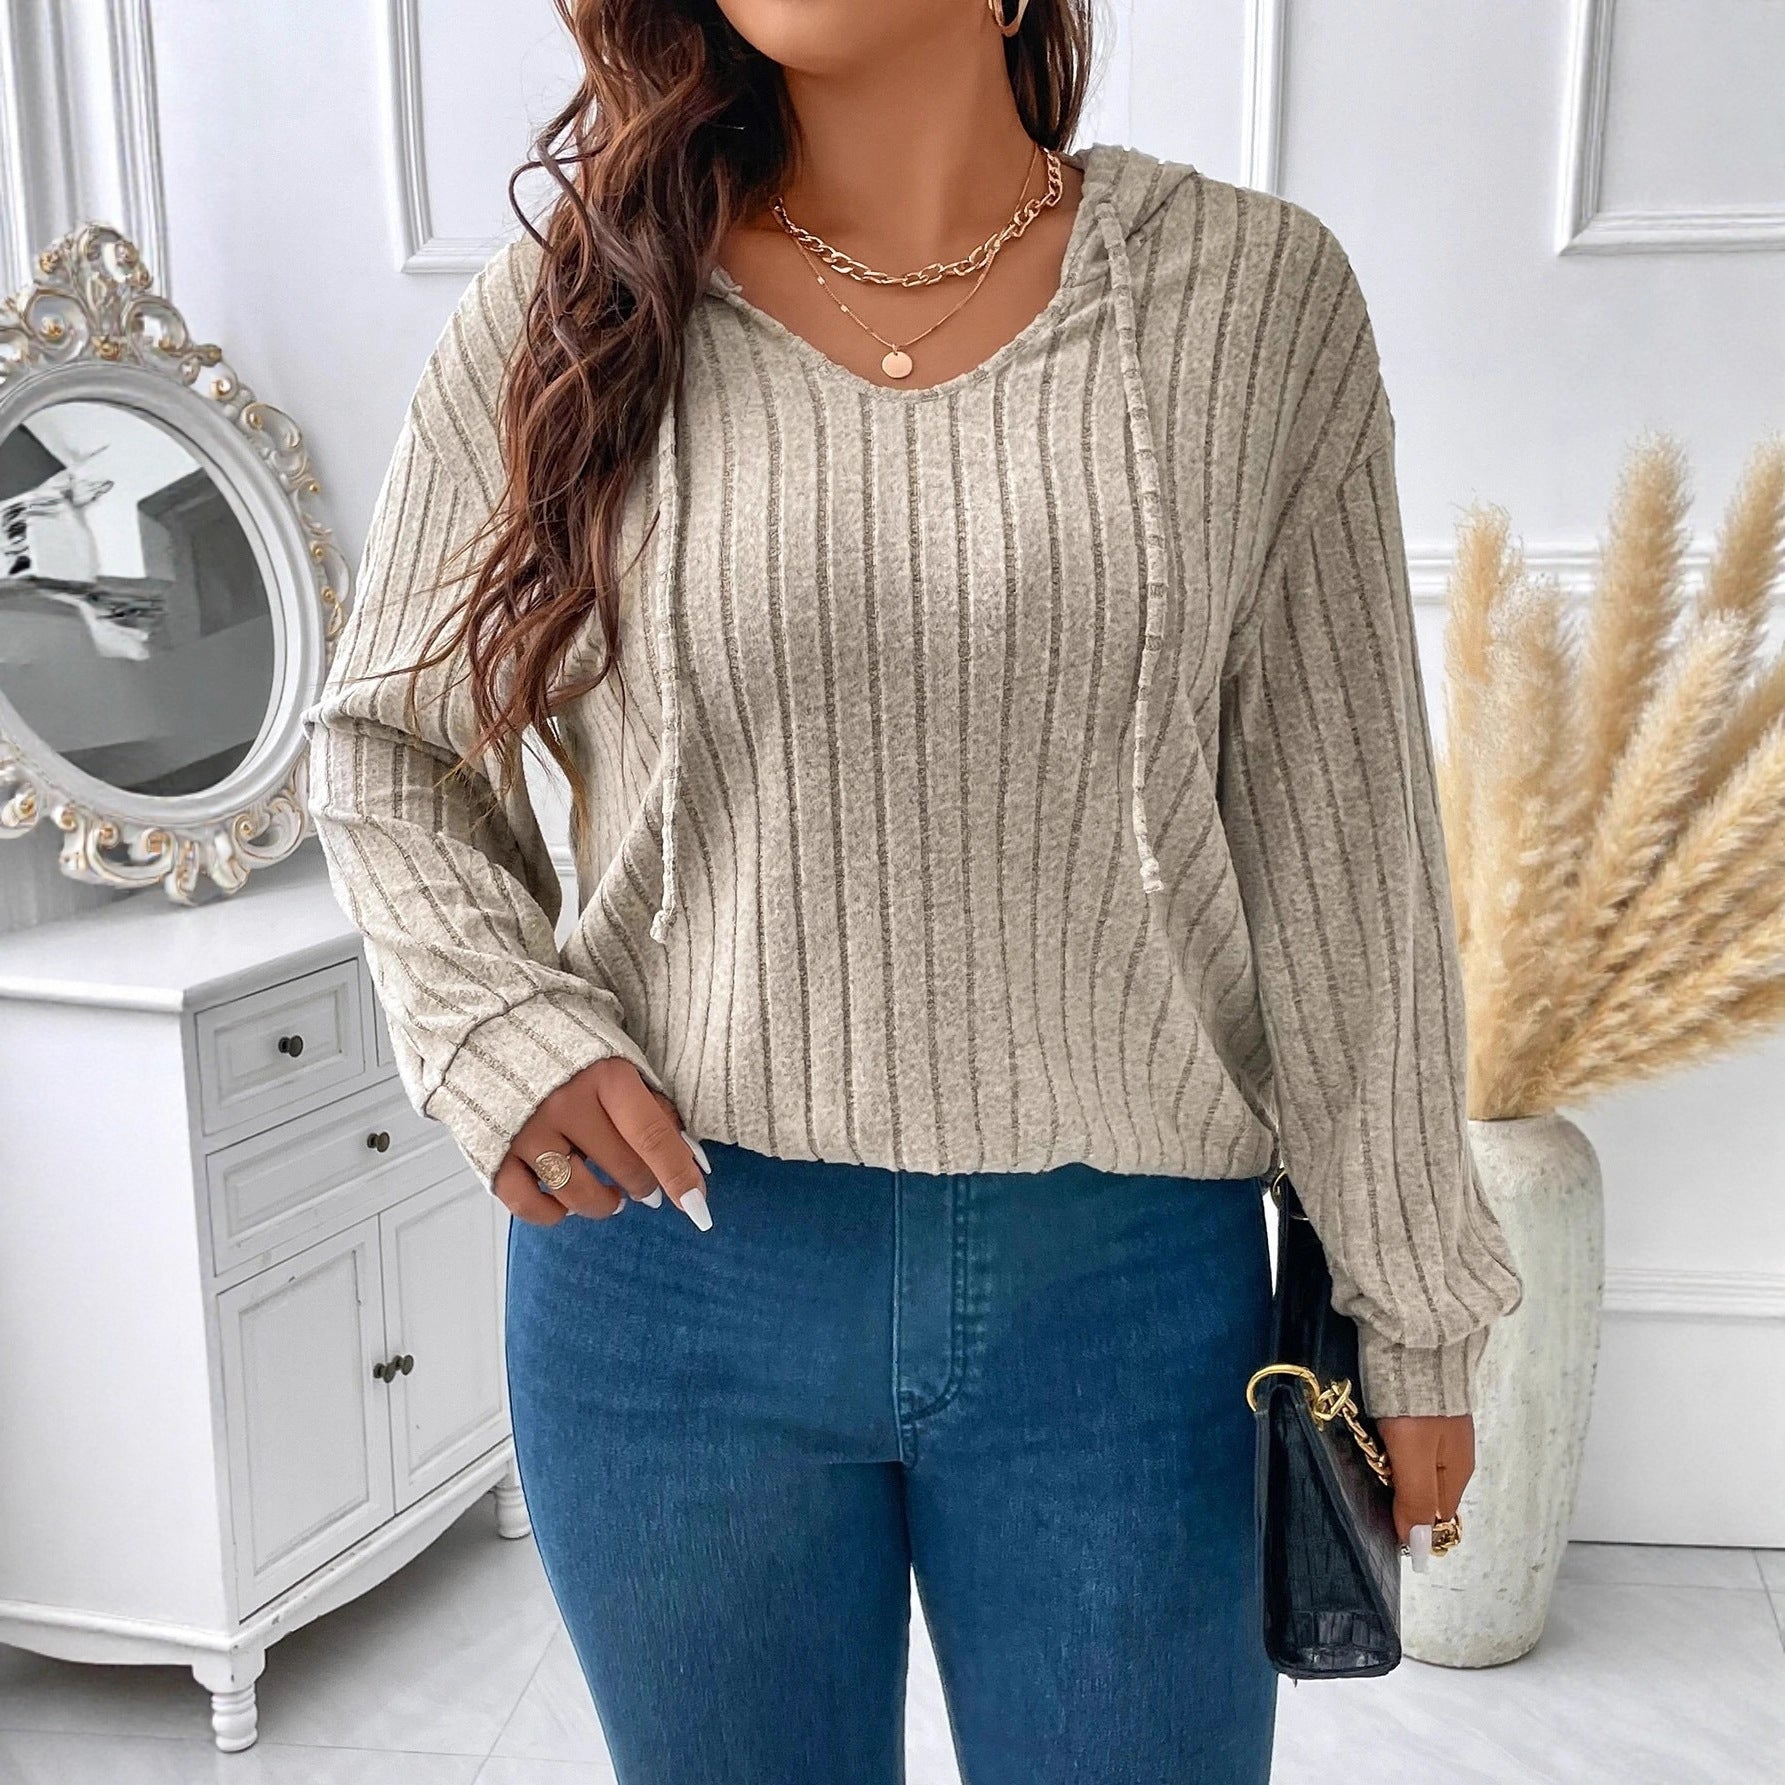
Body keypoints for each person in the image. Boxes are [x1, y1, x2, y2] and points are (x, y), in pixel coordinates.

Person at [303, 1, 1522, 1778]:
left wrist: (1410, 1308)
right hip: (673, 1294)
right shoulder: (577, 310)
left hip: (1123, 1310)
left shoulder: (1253, 303)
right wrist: (494, 1012)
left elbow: (1344, 856)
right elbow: (385, 742)